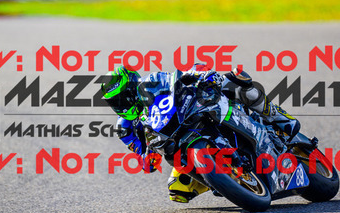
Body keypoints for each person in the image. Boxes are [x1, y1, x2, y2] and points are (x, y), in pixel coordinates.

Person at [100, 65, 300, 203]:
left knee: (232, 80)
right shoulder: (125, 129)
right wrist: (149, 156)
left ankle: (277, 116)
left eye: (123, 98)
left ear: (132, 86)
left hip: (188, 115)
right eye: (115, 102)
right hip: (177, 144)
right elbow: (144, 161)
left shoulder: (151, 82)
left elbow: (177, 78)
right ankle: (224, 181)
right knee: (177, 189)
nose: (121, 105)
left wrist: (199, 74)